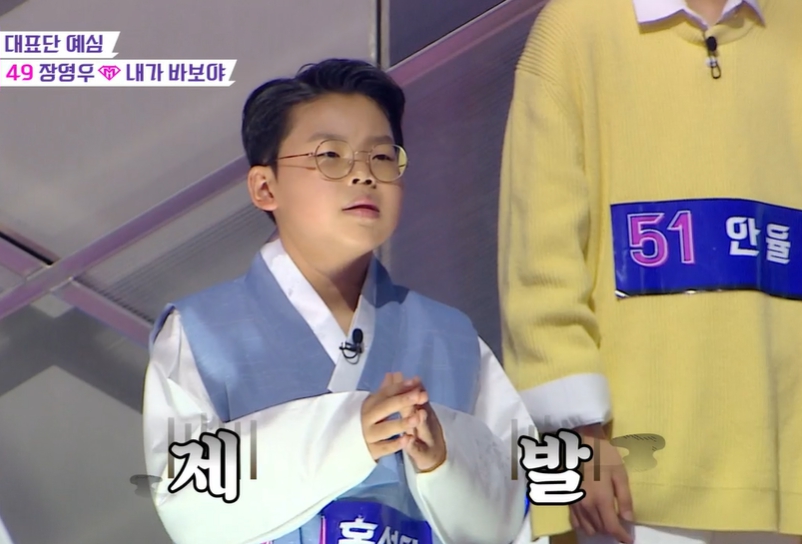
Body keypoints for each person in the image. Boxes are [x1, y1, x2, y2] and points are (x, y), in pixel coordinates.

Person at [142, 58, 532, 544]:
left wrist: (445, 457)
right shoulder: (202, 333)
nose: (364, 175)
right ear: (265, 187)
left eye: (382, 157)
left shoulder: (452, 337)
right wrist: (348, 434)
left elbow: (519, 507)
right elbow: (187, 503)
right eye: (330, 155)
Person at [497, 0, 802, 543]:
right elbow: (538, 262)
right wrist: (577, 436)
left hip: (787, 474)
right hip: (625, 481)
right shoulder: (574, 27)